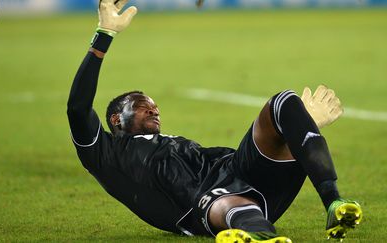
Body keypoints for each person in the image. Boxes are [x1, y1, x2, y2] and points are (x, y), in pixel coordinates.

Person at [67, 1, 363, 242]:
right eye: (144, 106)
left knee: (284, 102)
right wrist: (104, 35)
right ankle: (259, 234)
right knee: (225, 201)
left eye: (156, 107)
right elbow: (77, 108)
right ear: (117, 118)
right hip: (201, 204)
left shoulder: (170, 142)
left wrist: (300, 127)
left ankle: (333, 202)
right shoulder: (104, 154)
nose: (155, 110)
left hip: (238, 169)